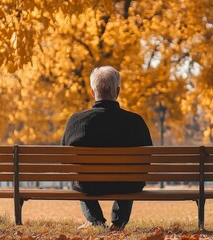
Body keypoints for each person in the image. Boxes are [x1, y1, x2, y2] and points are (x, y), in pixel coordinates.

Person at [62, 66, 153, 231]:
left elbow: (65, 160)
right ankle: (118, 222)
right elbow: (147, 159)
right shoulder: (135, 122)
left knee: (78, 177)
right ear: (117, 91)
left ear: (92, 92)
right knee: (131, 176)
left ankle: (95, 220)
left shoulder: (75, 121)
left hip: (89, 186)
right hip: (125, 186)